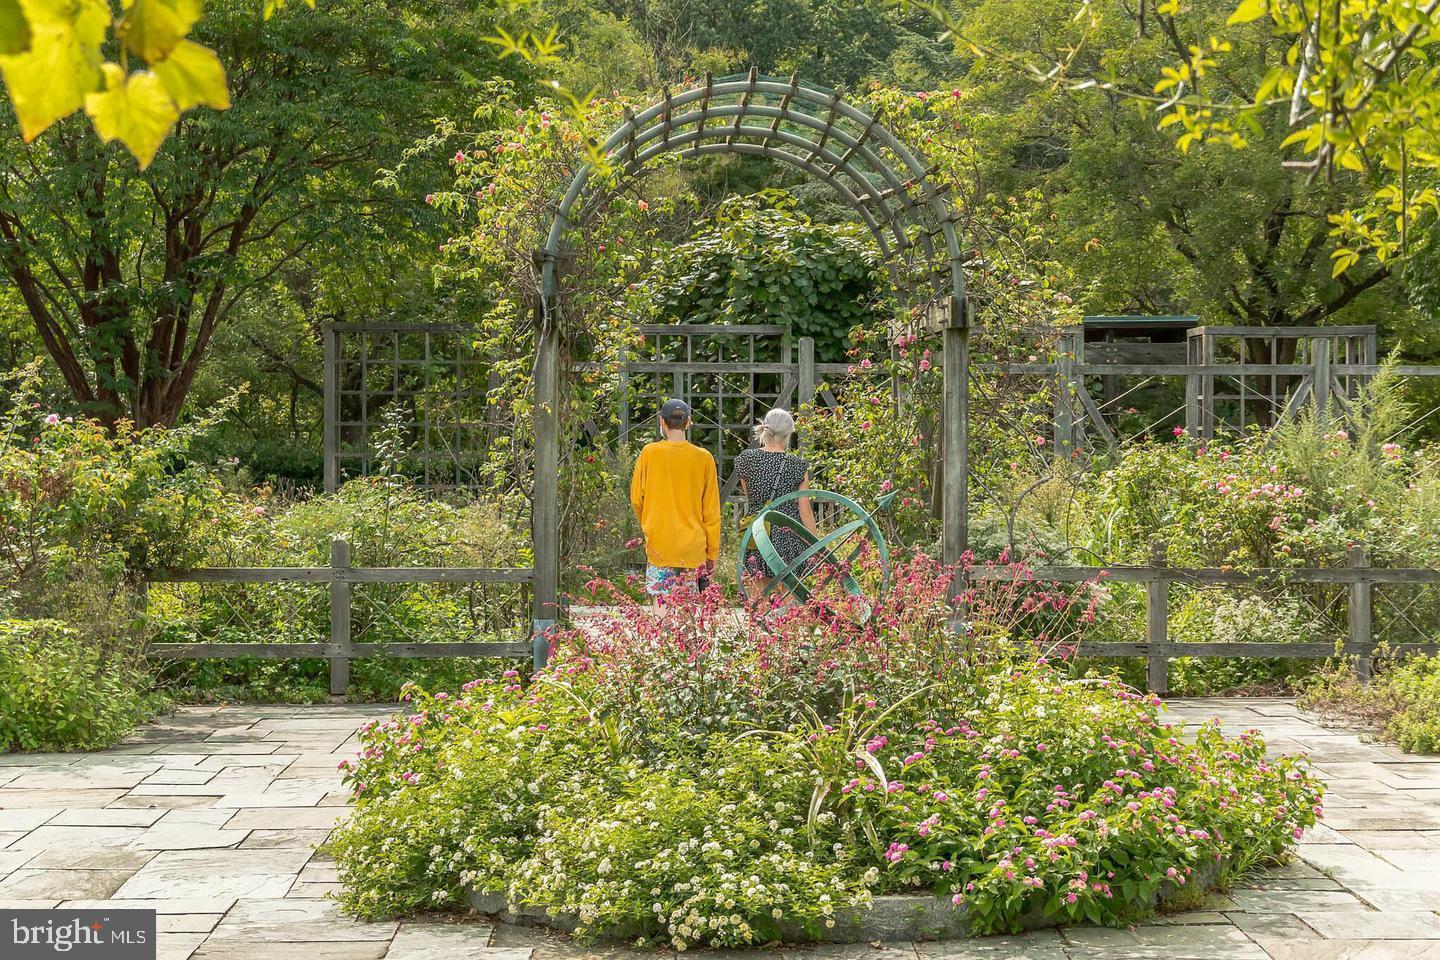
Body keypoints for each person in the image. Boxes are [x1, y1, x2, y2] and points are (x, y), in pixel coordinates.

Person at [629, 398, 720, 601]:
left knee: (661, 601)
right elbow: (711, 511)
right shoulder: (704, 458)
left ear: (662, 421)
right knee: (687, 606)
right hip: (693, 547)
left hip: (660, 543)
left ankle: (663, 634)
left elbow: (636, 499)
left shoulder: (649, 453)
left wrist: (650, 523)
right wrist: (711, 553)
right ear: (688, 422)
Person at [731, 408, 819, 600]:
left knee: (757, 595)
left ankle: (756, 629)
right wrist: (815, 544)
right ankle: (786, 628)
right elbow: (805, 512)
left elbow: (752, 499)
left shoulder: (747, 459)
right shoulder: (797, 465)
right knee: (790, 594)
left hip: (759, 533)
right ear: (789, 433)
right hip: (789, 534)